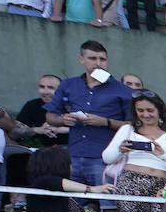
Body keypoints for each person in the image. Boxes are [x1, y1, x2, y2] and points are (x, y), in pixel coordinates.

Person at [44, 40, 134, 194]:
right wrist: (63, 120)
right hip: (73, 155)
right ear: (81, 59)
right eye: (92, 58)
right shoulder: (68, 85)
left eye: (102, 59)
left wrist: (106, 122)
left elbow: (133, 125)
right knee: (71, 205)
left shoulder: (123, 90)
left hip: (105, 156)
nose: (98, 63)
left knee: (108, 205)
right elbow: (50, 116)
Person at [100, 90, 166, 212]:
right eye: (140, 111)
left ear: (159, 110)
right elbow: (107, 158)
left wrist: (164, 155)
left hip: (163, 186)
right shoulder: (127, 129)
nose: (146, 114)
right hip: (131, 183)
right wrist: (121, 150)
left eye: (150, 110)